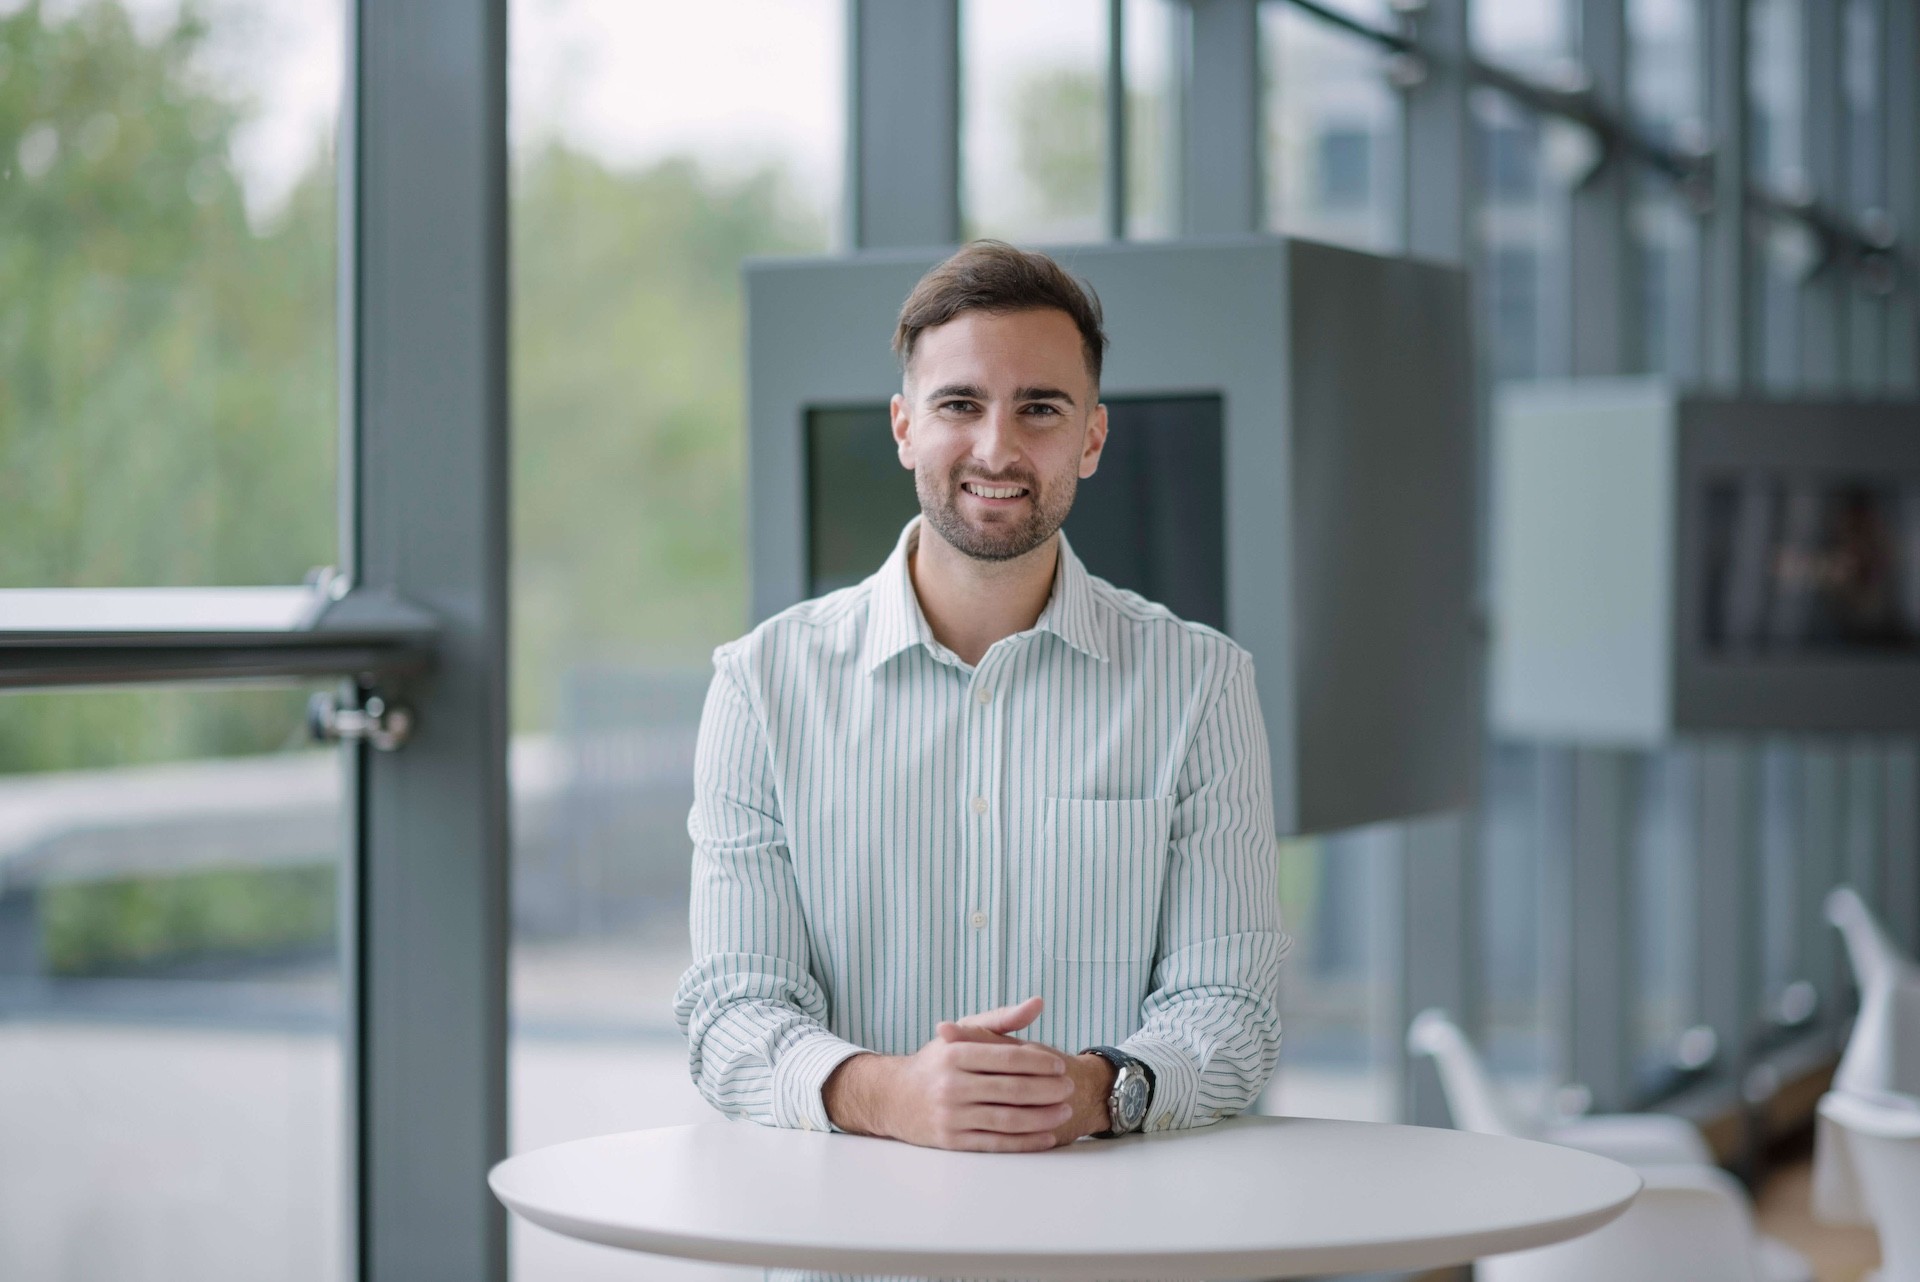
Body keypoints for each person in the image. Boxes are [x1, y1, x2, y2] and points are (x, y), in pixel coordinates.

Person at [674, 241, 1288, 1167]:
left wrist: (1089, 1091)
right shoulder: (761, 688)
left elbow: (1234, 1013)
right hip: (849, 1255)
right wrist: (893, 1095)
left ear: (1090, 437)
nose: (997, 448)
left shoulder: (1202, 686)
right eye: (960, 404)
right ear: (904, 428)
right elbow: (730, 1011)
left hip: (1110, 1253)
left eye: (1039, 409)